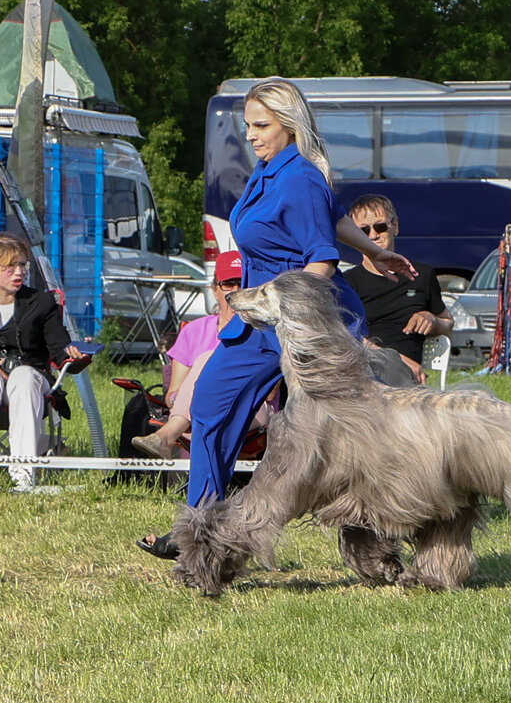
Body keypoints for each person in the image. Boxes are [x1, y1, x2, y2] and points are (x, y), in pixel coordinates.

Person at [139, 77, 415, 559]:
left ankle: (389, 528)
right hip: (257, 323)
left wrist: (286, 306)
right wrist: (373, 248)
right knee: (209, 406)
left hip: (308, 324)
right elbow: (331, 215)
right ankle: (199, 532)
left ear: (289, 125)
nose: (251, 134)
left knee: (341, 436)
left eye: (261, 125)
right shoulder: (270, 172)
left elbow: (321, 260)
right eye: (248, 125)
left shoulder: (299, 176)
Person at [0, 232, 88, 492]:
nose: (19, 272)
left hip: (28, 382)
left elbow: (60, 350)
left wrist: (76, 358)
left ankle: (23, 476)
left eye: (22, 265)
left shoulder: (40, 303)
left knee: (24, 375)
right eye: (10, 267)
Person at [131, 250, 245, 460]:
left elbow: (270, 395)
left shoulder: (262, 331)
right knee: (205, 366)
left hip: (250, 410)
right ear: (215, 289)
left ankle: (166, 437)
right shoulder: (194, 332)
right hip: (194, 412)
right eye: (228, 283)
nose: (235, 291)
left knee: (206, 359)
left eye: (242, 282)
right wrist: (181, 398)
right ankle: (171, 437)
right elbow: (172, 394)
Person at [345, 194, 453, 384]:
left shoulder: (421, 275)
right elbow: (346, 337)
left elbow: (448, 325)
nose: (373, 235)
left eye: (380, 226)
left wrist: (432, 320)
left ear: (395, 226)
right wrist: (396, 360)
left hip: (406, 379)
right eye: (363, 230)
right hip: (366, 370)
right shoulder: (347, 282)